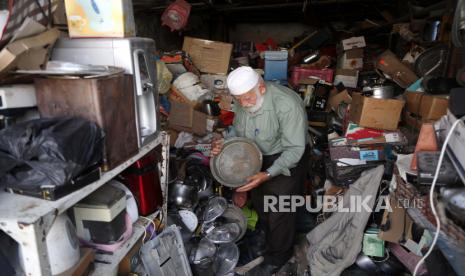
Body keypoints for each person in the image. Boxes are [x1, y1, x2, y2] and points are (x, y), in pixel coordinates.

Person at [211, 66, 310, 274]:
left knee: (280, 210)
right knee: (261, 204)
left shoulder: (286, 105)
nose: (244, 104)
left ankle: (279, 257)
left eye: (247, 98)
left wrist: (267, 174)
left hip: (286, 158)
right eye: (239, 99)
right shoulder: (242, 102)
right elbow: (238, 131)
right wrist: (224, 144)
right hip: (256, 156)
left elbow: (294, 150)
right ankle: (265, 243)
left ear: (262, 88)